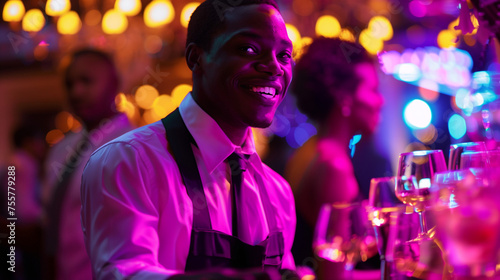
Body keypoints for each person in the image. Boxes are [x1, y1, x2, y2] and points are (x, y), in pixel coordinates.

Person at [80, 0, 297, 279]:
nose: (274, 67)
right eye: (248, 49)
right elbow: (123, 273)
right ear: (196, 58)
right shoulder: (130, 160)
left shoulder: (278, 191)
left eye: (284, 56)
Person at [284, 37, 384, 279]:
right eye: (372, 90)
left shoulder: (311, 150)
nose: (379, 101)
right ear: (344, 97)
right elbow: (333, 276)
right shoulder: (334, 167)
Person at [41, 48, 134, 280]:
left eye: (86, 81)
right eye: (70, 84)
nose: (76, 91)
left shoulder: (134, 147)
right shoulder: (61, 149)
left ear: (114, 84)